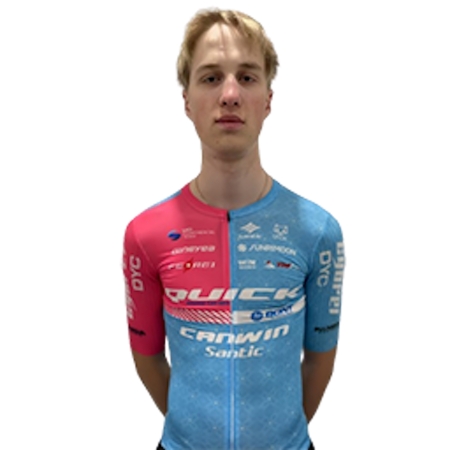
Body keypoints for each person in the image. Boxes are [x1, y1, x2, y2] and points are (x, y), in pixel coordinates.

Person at [122, 8, 345, 450]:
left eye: (246, 77)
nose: (229, 94)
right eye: (210, 78)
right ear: (187, 101)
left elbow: (320, 361)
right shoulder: (145, 236)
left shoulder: (318, 232)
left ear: (268, 99)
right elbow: (148, 360)